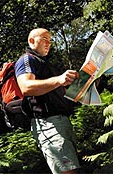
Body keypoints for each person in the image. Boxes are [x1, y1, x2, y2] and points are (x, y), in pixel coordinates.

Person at [15, 28, 80, 174]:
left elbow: (59, 94)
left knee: (72, 169)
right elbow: (26, 87)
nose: (48, 43)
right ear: (31, 41)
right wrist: (59, 79)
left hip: (62, 122)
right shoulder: (27, 59)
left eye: (50, 40)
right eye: (44, 38)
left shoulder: (45, 64)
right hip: (48, 124)